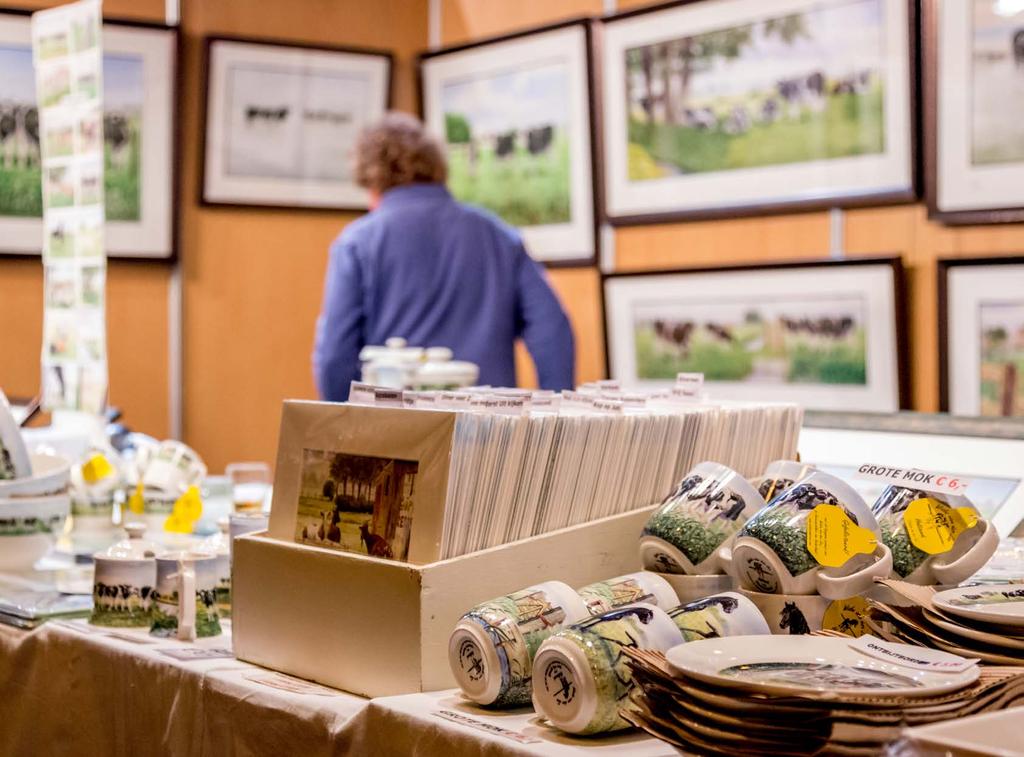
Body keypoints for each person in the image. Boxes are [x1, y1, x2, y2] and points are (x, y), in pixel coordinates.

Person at [313, 112, 575, 401]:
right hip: (490, 433)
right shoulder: (499, 237)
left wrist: (345, 427)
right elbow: (552, 329)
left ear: (370, 180)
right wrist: (555, 411)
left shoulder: (357, 243)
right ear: (438, 166)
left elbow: (335, 355)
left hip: (396, 434)